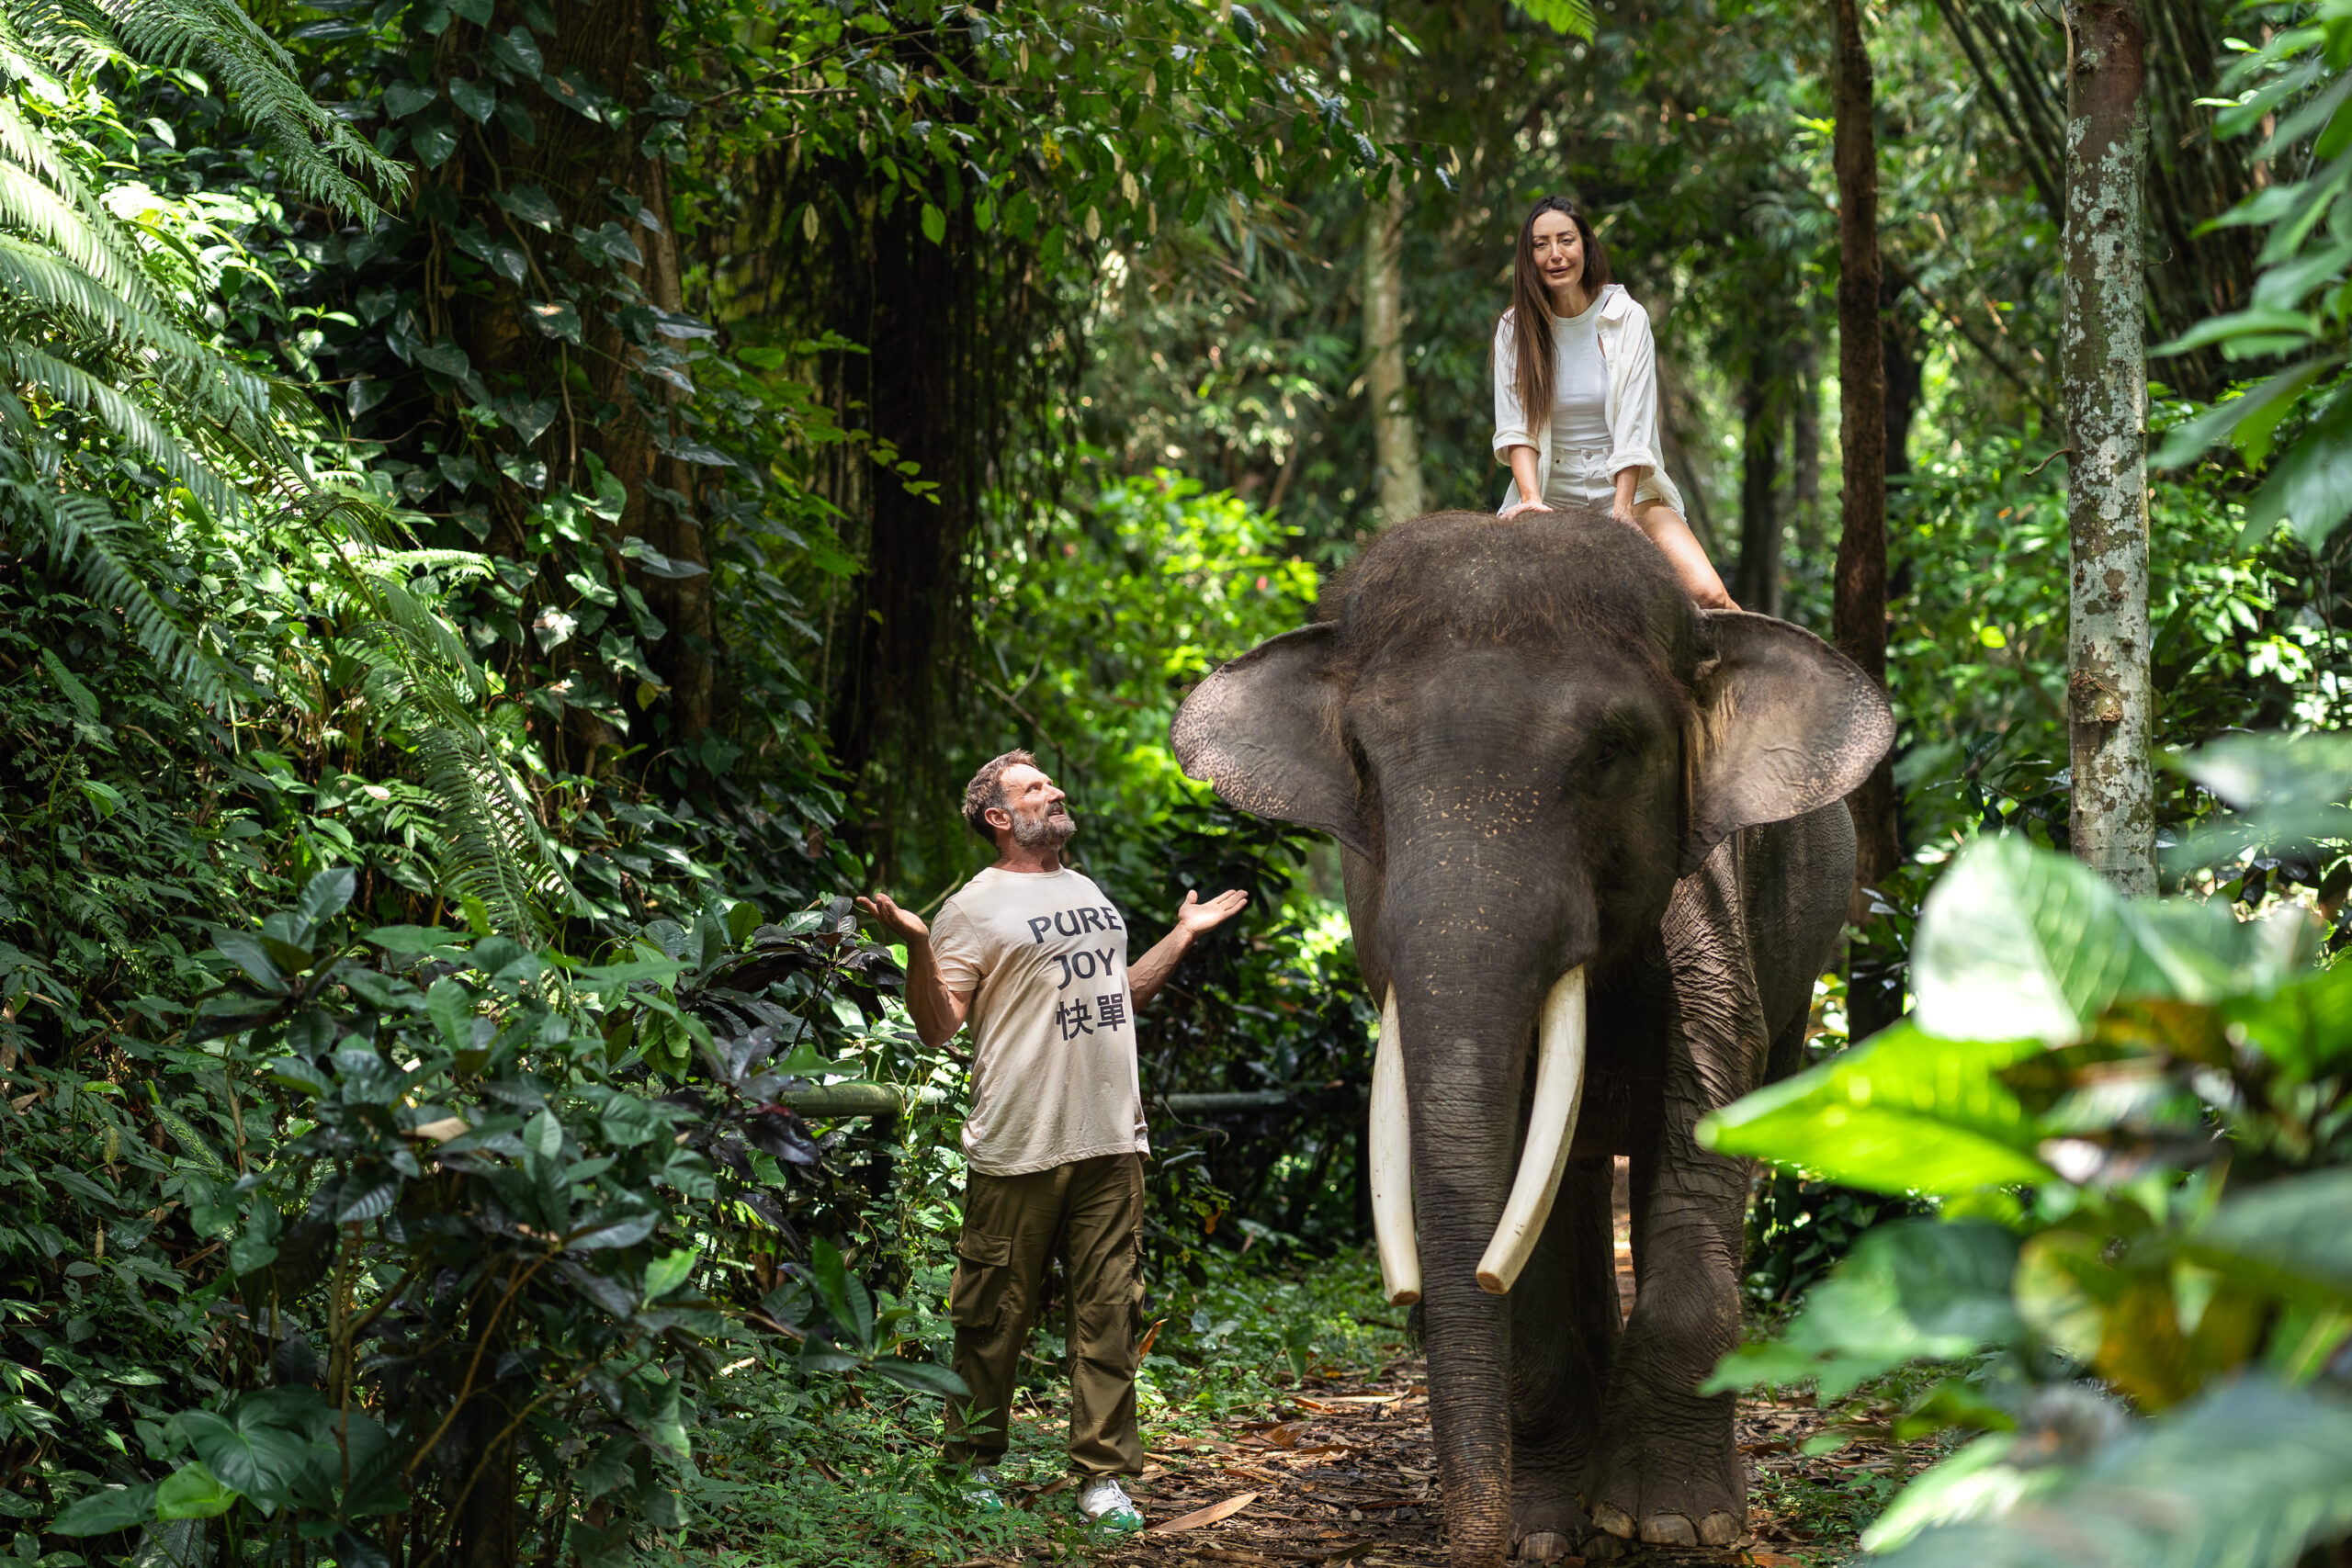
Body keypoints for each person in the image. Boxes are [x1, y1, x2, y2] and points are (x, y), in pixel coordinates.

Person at [857, 750, 1249, 1534]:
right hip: (1020, 1143)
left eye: (1049, 782)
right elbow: (937, 1026)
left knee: (1110, 1314)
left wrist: (1182, 934)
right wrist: (918, 945)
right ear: (999, 817)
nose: (1054, 790)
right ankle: (968, 1466)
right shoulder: (973, 906)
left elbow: (1119, 996)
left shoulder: (1088, 892)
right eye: (1034, 787)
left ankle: (1103, 1479)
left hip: (1111, 1140)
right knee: (992, 1315)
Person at [1490, 194, 1739, 610]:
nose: (1555, 255)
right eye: (1540, 245)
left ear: (1586, 246)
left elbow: (1634, 427)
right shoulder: (1514, 328)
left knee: (1707, 594)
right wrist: (1531, 500)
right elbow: (1517, 429)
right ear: (1528, 257)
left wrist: (1622, 512)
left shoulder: (1627, 317)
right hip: (1552, 493)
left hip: (1628, 492)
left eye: (1566, 240)